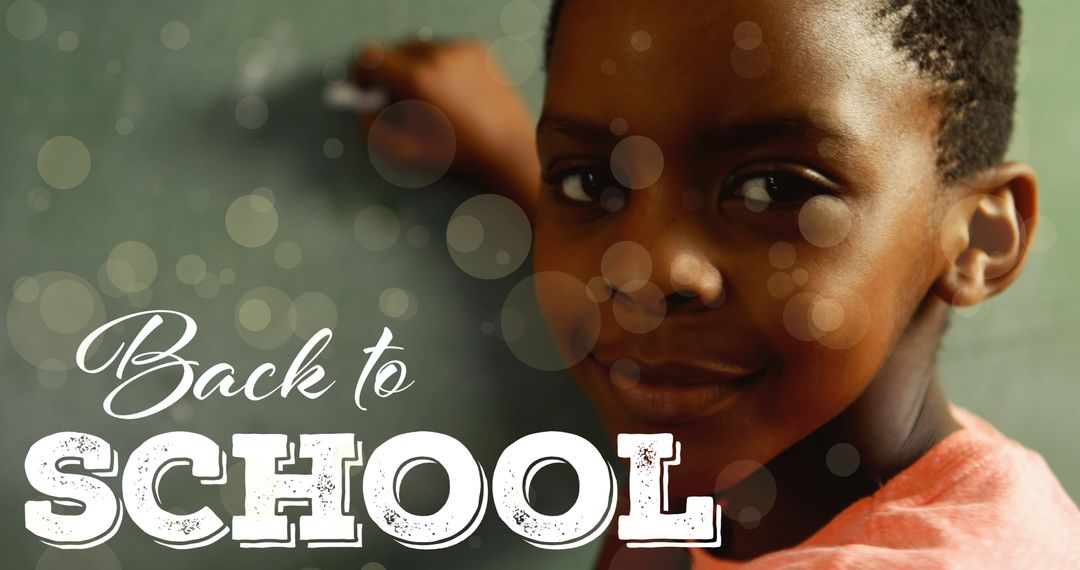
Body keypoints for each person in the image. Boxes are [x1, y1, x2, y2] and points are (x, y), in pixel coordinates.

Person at [352, 0, 1080, 566]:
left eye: (772, 189)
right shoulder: (749, 440)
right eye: (589, 180)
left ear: (982, 237)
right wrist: (516, 163)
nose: (637, 273)